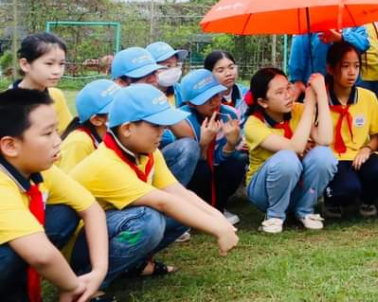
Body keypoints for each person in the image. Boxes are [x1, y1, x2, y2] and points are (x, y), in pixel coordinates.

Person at [70, 84, 239, 284]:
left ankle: (131, 264)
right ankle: (87, 281)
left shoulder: (148, 152)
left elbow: (178, 192)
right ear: (127, 129)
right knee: (148, 221)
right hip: (77, 249)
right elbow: (162, 202)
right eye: (156, 125)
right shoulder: (105, 164)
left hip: (105, 232)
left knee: (183, 212)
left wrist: (219, 219)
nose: (163, 131)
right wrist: (217, 229)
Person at [0, 88, 108, 302]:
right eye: (47, 133)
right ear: (11, 145)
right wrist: (74, 286)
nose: (58, 141)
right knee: (13, 251)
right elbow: (42, 255)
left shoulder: (40, 169)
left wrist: (98, 271)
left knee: (65, 213)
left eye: (57, 131)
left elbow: (92, 209)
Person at [242, 68, 336, 233]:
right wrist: (309, 106)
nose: (288, 95)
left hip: (296, 185)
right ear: (263, 102)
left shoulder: (297, 110)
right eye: (279, 92)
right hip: (263, 191)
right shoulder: (253, 124)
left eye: (288, 87)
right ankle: (274, 216)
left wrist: (320, 95)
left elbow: (325, 139)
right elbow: (295, 148)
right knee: (287, 158)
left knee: (324, 155)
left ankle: (305, 210)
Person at [111, 48, 200, 188]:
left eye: (154, 72)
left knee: (187, 147)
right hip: (118, 185)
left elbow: (189, 137)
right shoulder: (105, 113)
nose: (153, 79)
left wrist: (162, 106)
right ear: (121, 83)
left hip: (146, 169)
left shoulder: (155, 98)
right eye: (145, 76)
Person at [321, 41, 378, 218]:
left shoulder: (367, 97)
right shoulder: (321, 99)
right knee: (347, 190)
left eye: (356, 66)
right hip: (333, 160)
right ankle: (333, 200)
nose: (352, 72)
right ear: (330, 69)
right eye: (345, 66)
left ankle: (367, 200)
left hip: (359, 155)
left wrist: (367, 149)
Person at [288, 0, 371, 96]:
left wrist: (341, 37)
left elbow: (364, 43)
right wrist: (297, 79)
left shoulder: (354, 12)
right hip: (318, 87)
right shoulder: (315, 11)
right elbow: (299, 47)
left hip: (347, 88)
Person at [176, 69, 247, 224]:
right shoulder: (183, 120)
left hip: (217, 168)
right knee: (201, 168)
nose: (214, 102)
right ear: (190, 104)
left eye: (216, 94)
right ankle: (193, 211)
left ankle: (219, 208)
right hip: (195, 175)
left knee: (238, 159)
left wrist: (231, 143)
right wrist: (203, 144)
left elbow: (218, 160)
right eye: (206, 99)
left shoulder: (230, 114)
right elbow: (192, 162)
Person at [11, 34, 73, 135]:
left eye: (61, 64)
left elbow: (67, 133)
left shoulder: (56, 96)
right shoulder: (6, 104)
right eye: (49, 63)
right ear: (25, 64)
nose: (57, 71)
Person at [58, 79, 120, 172]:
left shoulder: (109, 138)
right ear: (96, 120)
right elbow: (69, 180)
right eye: (117, 109)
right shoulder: (79, 142)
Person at [204, 51, 248, 117]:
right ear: (209, 74)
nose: (228, 73)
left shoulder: (246, 93)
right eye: (220, 70)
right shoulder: (205, 101)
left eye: (231, 67)